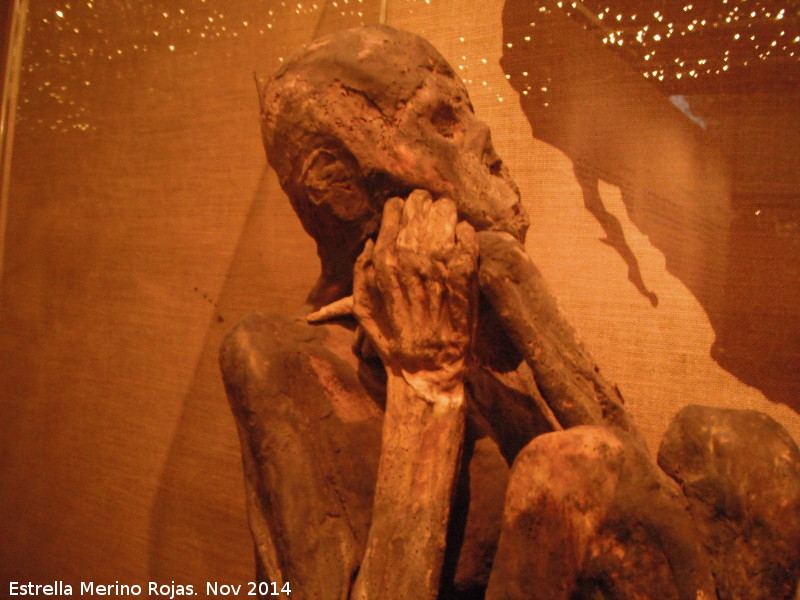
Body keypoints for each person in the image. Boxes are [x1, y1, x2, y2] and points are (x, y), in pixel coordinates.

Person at [221, 25, 715, 600]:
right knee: (569, 468)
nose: (484, 139)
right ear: (338, 185)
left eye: (470, 114)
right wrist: (425, 382)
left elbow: (639, 510)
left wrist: (519, 291)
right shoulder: (279, 358)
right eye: (443, 124)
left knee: (723, 444)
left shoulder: (481, 312)